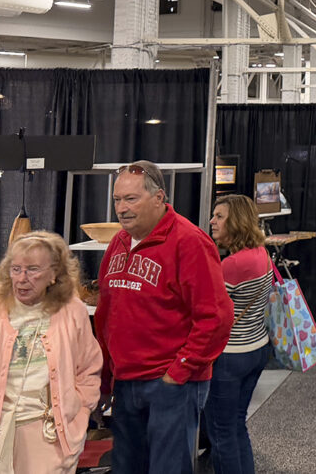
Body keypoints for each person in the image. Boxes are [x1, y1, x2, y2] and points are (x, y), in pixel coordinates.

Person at [95, 160, 234, 473]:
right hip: (126, 382)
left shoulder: (189, 241)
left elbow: (216, 317)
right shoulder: (118, 243)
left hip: (171, 383)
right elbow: (106, 315)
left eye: (131, 199)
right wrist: (104, 377)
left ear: (159, 197)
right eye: (117, 199)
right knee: (126, 467)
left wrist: (180, 370)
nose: (121, 208)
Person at [0, 231, 101, 473]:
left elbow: (88, 369)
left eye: (32, 270)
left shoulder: (73, 310)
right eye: (16, 269)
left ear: (54, 274)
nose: (22, 278)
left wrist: (80, 411)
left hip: (49, 435)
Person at [205, 195, 273, 474]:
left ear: (237, 221)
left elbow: (210, 313)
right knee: (236, 424)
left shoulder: (231, 266)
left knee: (221, 432)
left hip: (230, 356)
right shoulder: (261, 254)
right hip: (257, 348)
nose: (212, 221)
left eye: (219, 216)